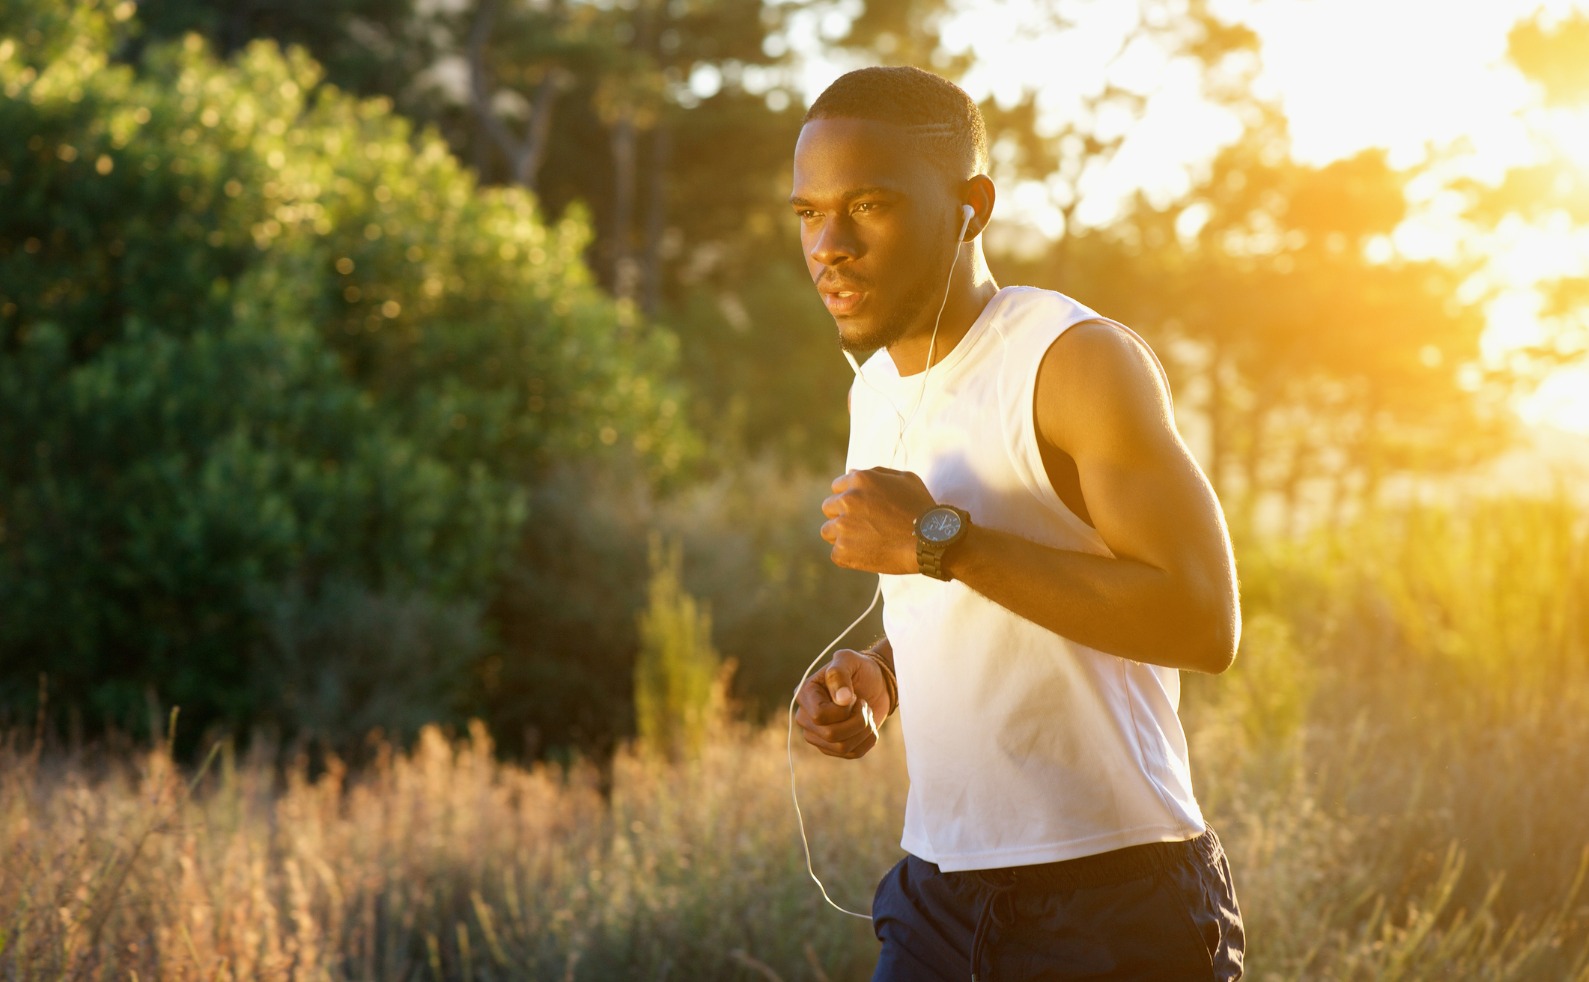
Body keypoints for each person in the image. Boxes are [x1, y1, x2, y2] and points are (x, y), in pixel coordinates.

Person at [790, 66, 1245, 981]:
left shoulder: (1073, 360)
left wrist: (937, 541)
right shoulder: (873, 387)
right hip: (936, 890)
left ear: (971, 208)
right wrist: (882, 674)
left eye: (868, 205)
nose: (829, 245)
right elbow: (963, 598)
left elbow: (1202, 621)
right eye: (808, 213)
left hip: (1114, 898)